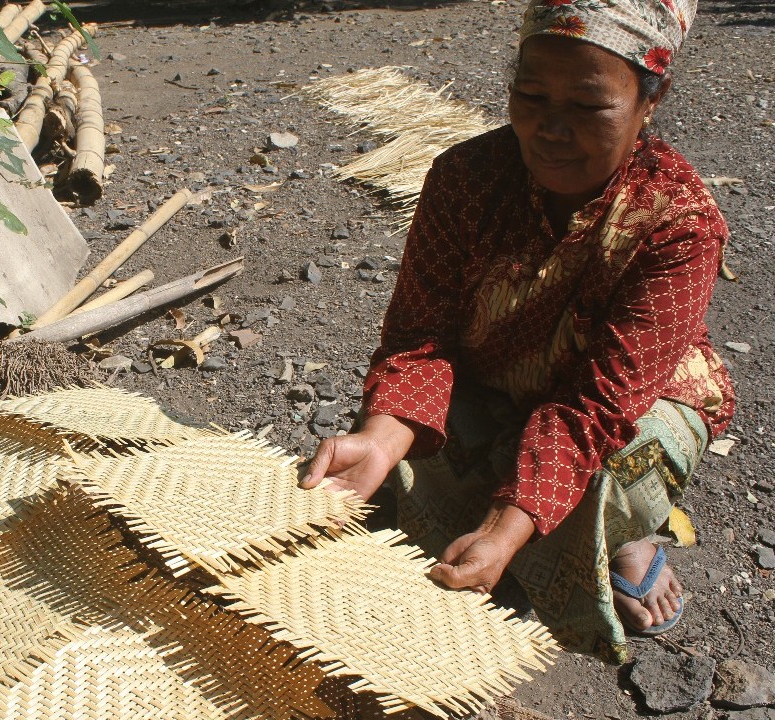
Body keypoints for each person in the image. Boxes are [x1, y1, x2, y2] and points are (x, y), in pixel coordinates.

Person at [301, 0, 733, 662]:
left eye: (588, 106)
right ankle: (509, 524)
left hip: (625, 397)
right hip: (496, 369)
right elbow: (421, 341)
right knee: (407, 437)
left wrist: (506, 527)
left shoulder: (680, 222)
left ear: (652, 99)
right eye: (531, 95)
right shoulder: (465, 178)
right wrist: (381, 442)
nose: (551, 128)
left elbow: (598, 403)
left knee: (619, 463)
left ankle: (623, 536)